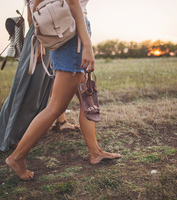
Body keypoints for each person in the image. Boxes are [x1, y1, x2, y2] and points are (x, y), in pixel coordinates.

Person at [6, 0, 121, 180]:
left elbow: (35, 6)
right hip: (73, 33)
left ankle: (95, 152)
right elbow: (73, 3)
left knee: (87, 96)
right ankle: (16, 158)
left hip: (64, 33)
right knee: (56, 107)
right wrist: (87, 45)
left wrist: (42, 39)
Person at [0, 0, 77, 152]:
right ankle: (11, 136)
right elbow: (35, 12)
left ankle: (58, 123)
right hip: (40, 36)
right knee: (29, 88)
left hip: (47, 34)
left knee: (46, 83)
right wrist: (40, 43)